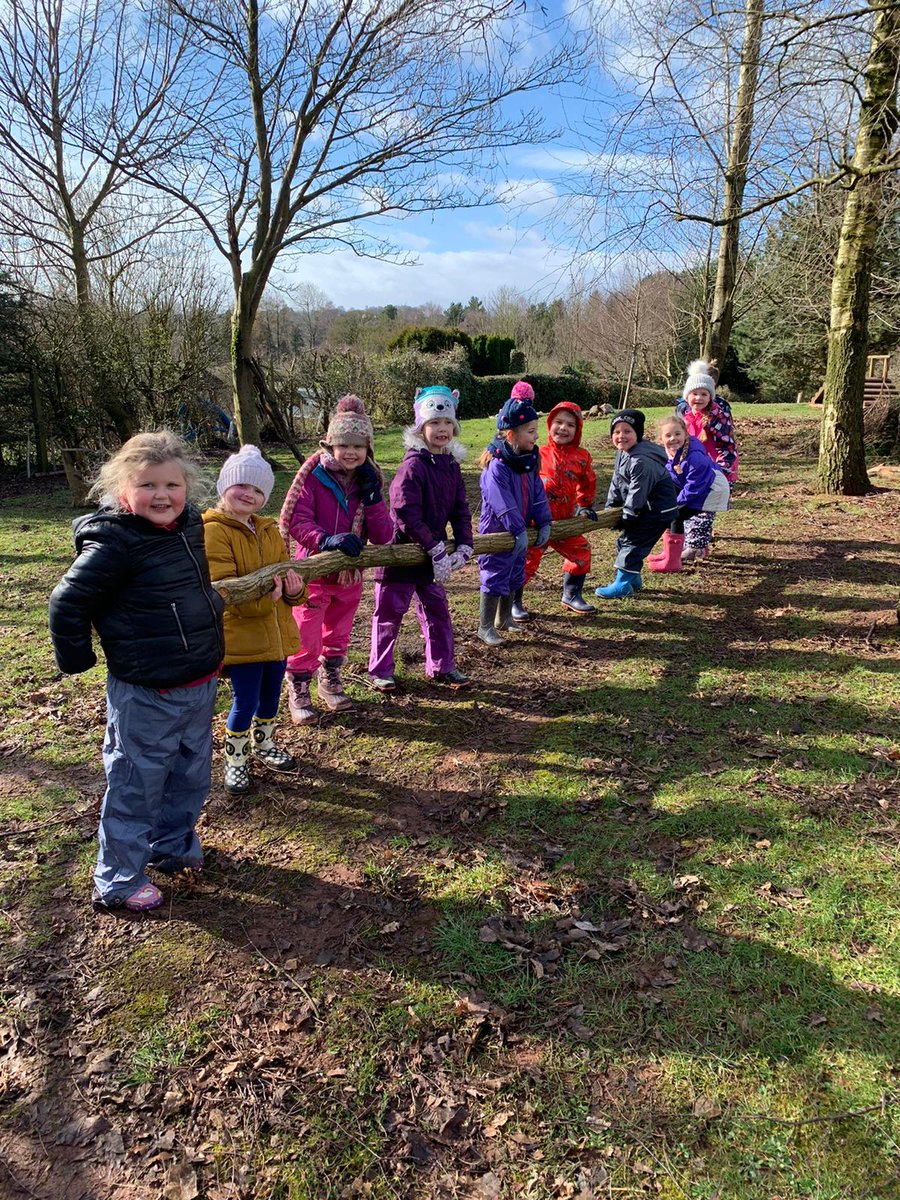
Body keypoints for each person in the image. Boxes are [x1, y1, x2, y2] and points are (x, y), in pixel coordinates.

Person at [48, 431, 225, 913]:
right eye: (148, 486)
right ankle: (118, 879)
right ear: (122, 490)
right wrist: (78, 659)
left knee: (190, 775)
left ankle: (169, 847)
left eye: (172, 484)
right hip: (147, 690)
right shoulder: (114, 543)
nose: (162, 496)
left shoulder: (190, 525)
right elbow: (67, 602)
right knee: (136, 783)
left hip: (197, 681)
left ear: (188, 486)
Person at [279, 394, 393, 722]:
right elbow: (299, 520)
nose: (351, 452)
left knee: (339, 632)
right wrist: (326, 540)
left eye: (359, 446)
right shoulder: (314, 476)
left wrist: (372, 497)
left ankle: (329, 680)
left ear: (368, 448)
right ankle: (299, 686)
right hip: (313, 570)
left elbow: (384, 535)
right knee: (306, 633)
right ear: (330, 445)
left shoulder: (368, 480)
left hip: (349, 575)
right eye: (344, 444)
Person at [203, 445, 306, 794]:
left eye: (258, 489)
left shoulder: (268, 529)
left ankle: (263, 745)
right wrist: (268, 601)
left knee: (270, 697)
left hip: (276, 634)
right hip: (242, 636)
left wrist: (293, 591)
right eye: (242, 485)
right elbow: (225, 591)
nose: (249, 493)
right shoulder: (214, 530)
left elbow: (287, 577)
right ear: (224, 487)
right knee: (244, 700)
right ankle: (235, 760)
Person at [368, 385, 473, 690]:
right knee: (389, 614)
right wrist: (434, 547)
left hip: (432, 556)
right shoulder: (412, 466)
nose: (442, 429)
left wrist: (465, 542)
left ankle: (442, 665)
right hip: (401, 554)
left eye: (447, 424)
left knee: (437, 612)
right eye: (434, 424)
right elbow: (403, 512)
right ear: (421, 428)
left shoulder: (451, 466)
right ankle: (381, 669)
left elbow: (460, 508)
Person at [477, 382, 552, 645]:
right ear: (511, 435)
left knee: (514, 573)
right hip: (498, 530)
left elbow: (538, 494)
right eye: (531, 432)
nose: (535, 437)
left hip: (520, 532)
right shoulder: (497, 466)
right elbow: (502, 502)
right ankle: (485, 626)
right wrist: (517, 528)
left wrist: (544, 522)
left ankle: (505, 618)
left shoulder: (528, 461)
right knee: (495, 574)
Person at [520, 399, 598, 618]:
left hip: (564, 522)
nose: (563, 428)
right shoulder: (536, 453)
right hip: (536, 523)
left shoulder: (582, 457)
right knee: (525, 562)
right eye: (559, 422)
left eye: (570, 425)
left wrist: (584, 505)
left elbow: (588, 482)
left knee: (581, 551)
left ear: (578, 430)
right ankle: (513, 602)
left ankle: (571, 594)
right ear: (549, 424)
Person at [594, 409, 679, 599]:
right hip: (645, 508)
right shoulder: (623, 453)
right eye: (616, 432)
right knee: (626, 541)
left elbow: (638, 490)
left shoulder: (641, 460)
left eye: (627, 431)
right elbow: (617, 481)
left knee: (632, 544)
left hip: (657, 510)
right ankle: (633, 578)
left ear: (638, 434)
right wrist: (612, 506)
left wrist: (629, 514)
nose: (621, 436)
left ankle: (623, 585)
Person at [647, 415, 731, 573]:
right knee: (668, 511)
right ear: (660, 439)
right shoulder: (670, 451)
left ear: (685, 434)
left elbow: (694, 486)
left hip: (711, 490)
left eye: (677, 434)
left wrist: (675, 504)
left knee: (675, 515)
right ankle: (668, 554)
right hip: (696, 487)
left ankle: (673, 562)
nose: (673, 438)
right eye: (668, 435)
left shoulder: (694, 457)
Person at [675, 360, 739, 561]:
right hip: (691, 468)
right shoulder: (683, 415)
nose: (699, 398)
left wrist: (722, 470)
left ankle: (695, 547)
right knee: (689, 505)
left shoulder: (717, 418)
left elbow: (727, 445)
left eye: (704, 394)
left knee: (704, 508)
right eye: (694, 394)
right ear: (687, 396)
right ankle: (695, 543)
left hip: (715, 469)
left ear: (711, 396)